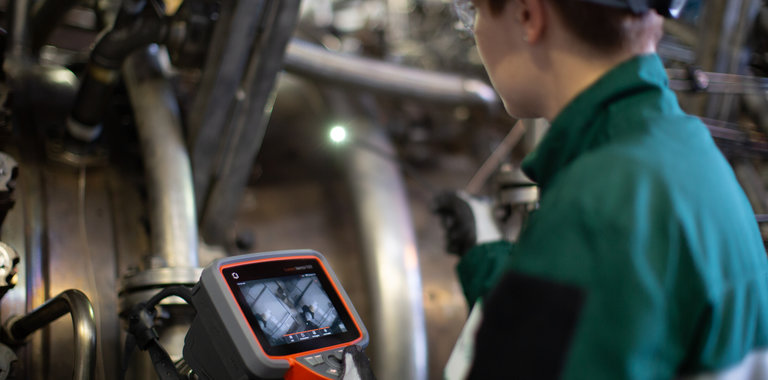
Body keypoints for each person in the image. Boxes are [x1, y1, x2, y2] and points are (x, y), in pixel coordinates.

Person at [435, 0, 768, 379]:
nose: (474, 30)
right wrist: (491, 261)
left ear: (527, 15)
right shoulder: (690, 155)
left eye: (473, 11)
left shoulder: (596, 213)